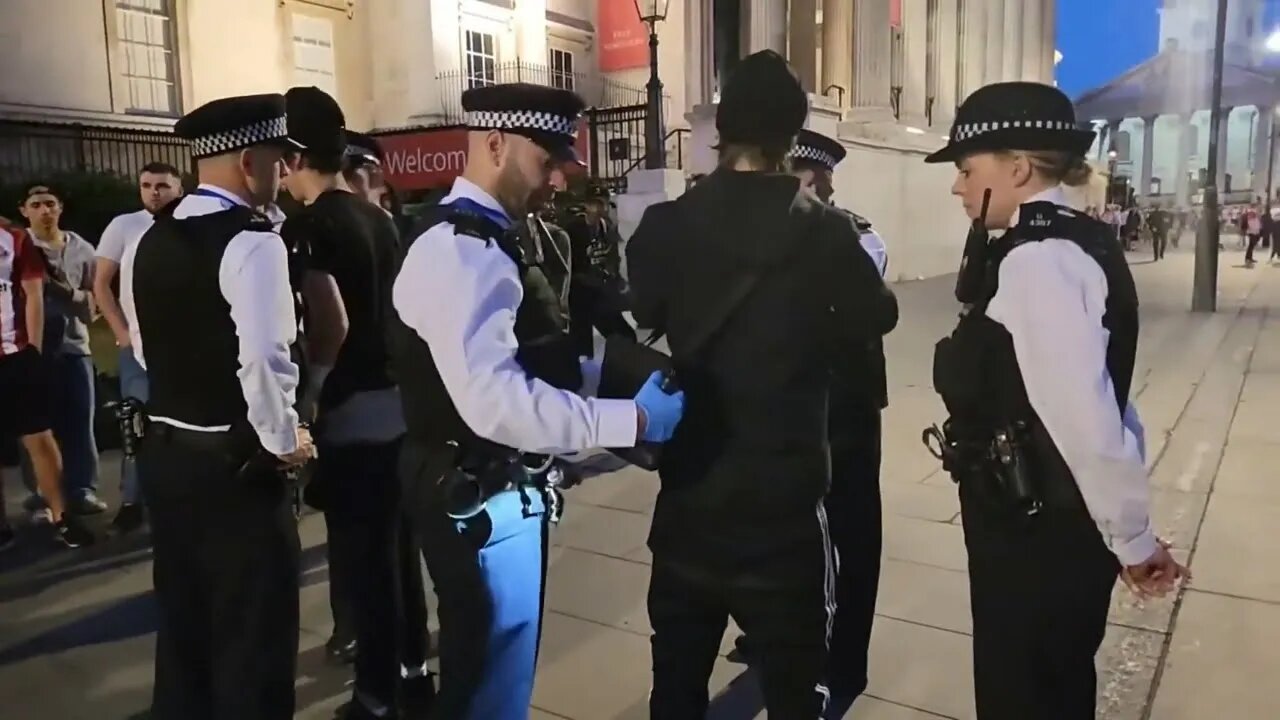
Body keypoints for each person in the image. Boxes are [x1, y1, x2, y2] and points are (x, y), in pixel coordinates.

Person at [387, 82, 685, 719]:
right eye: (546, 161)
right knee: (489, 686)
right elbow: (496, 400)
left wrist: (609, 373)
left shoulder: (486, 239)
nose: (558, 179)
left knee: (495, 673)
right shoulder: (464, 253)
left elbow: (530, 358)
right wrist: (629, 418)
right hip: (477, 492)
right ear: (495, 144)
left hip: (482, 486)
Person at [626, 51, 898, 718]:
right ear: (791, 131)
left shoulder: (665, 227)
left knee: (678, 687)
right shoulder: (830, 236)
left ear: (721, 125)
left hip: (691, 501)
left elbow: (648, 313)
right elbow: (877, 317)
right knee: (792, 693)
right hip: (784, 514)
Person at [924, 81, 1189, 719]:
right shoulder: (1065, 239)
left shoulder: (1039, 261)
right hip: (1042, 522)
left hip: (1036, 533)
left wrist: (1133, 539)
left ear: (1016, 168)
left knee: (1027, 691)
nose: (958, 187)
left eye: (967, 170)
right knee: (1053, 682)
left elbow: (1088, 420)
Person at [124, 93, 315, 719]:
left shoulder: (147, 239)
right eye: (279, 160)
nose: (284, 173)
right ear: (247, 159)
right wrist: (282, 440)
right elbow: (265, 359)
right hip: (233, 468)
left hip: (166, 453)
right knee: (253, 641)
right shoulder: (253, 242)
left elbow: (145, 345)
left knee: (185, 629)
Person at [281, 85, 432, 720]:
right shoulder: (380, 219)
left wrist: (309, 398)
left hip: (350, 409)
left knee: (363, 563)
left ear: (292, 157)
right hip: (397, 402)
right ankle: (414, 672)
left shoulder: (308, 226)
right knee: (399, 551)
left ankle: (375, 697)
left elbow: (328, 323)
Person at [93, 162, 185, 534]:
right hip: (138, 348)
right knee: (137, 422)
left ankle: (181, 501)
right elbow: (101, 285)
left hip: (183, 344)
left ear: (179, 187)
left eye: (162, 185)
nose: (154, 192)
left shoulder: (192, 222)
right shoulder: (124, 226)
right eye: (146, 185)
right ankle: (132, 501)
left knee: (183, 423)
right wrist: (121, 332)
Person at [0, 219, 94, 549]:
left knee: (39, 437)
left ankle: (62, 517)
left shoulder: (14, 237)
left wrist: (34, 351)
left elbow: (33, 294)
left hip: (15, 351)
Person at [17, 185, 105, 518]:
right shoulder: (14, 246)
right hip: (30, 348)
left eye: (50, 204)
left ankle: (82, 489)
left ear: (60, 208)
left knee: (80, 420)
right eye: (36, 205)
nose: (44, 211)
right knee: (36, 427)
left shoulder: (82, 249)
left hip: (73, 345)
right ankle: (42, 493)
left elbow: (92, 304)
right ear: (25, 210)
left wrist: (72, 295)